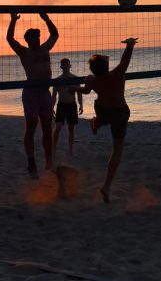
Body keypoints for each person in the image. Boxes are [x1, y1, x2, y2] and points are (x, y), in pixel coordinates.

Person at [79, 37, 137, 203]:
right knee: (117, 151)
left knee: (101, 115)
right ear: (106, 66)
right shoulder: (118, 74)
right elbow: (126, 58)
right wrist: (130, 44)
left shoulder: (91, 79)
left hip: (104, 110)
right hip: (119, 112)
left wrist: (74, 88)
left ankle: (96, 123)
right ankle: (107, 185)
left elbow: (85, 91)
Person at [7, 12, 59, 176]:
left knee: (46, 128)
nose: (37, 39)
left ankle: (48, 161)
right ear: (28, 40)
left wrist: (46, 19)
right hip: (31, 93)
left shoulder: (45, 48)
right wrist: (13, 20)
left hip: (45, 93)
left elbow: (55, 34)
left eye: (38, 36)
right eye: (34, 37)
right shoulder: (24, 52)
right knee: (31, 127)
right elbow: (10, 39)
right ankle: (31, 161)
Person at [51, 58, 84, 159]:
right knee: (58, 127)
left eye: (67, 64)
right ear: (61, 67)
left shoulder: (75, 78)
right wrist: (51, 107)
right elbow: (54, 95)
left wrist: (81, 105)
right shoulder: (58, 80)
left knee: (71, 129)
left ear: (70, 66)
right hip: (61, 105)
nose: (65, 66)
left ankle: (70, 150)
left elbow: (79, 93)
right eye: (63, 65)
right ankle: (53, 148)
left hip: (72, 105)